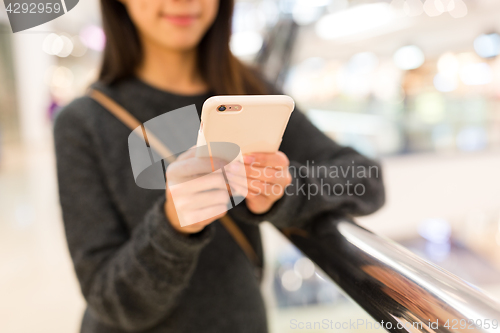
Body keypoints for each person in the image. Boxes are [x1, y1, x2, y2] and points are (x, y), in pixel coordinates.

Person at [53, 0, 385, 332]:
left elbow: (366, 178)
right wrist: (173, 227)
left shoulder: (249, 92)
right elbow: (111, 301)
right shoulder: (84, 123)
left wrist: (284, 191)